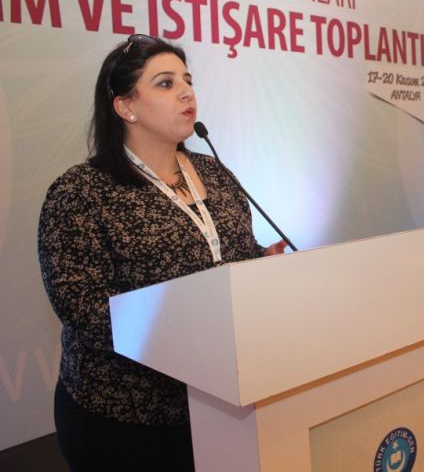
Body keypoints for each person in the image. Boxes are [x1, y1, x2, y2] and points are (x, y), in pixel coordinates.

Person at [37, 35, 286, 472]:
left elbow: (228, 254)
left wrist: (262, 262)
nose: (187, 92)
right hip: (126, 418)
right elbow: (82, 307)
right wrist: (185, 330)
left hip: (220, 402)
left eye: (188, 81)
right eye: (166, 83)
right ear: (125, 107)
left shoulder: (215, 173)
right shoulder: (81, 191)